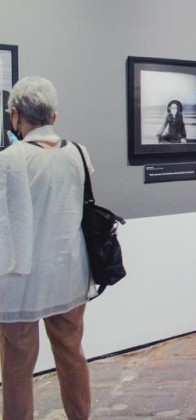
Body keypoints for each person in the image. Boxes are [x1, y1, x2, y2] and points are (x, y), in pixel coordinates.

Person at [0, 76, 94, 419]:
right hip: (67, 268)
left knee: (17, 364)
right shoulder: (79, 153)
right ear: (53, 117)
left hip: (18, 275)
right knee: (71, 352)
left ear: (15, 115)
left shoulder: (9, 160)